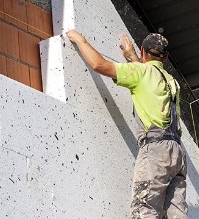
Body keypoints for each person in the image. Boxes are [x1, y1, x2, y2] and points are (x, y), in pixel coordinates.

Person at [65, 29, 187, 219]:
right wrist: (133, 57)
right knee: (176, 215)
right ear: (166, 57)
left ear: (142, 50)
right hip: (177, 154)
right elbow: (150, 78)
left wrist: (81, 40)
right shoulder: (172, 82)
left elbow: (99, 65)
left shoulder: (141, 72)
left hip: (155, 150)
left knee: (144, 209)